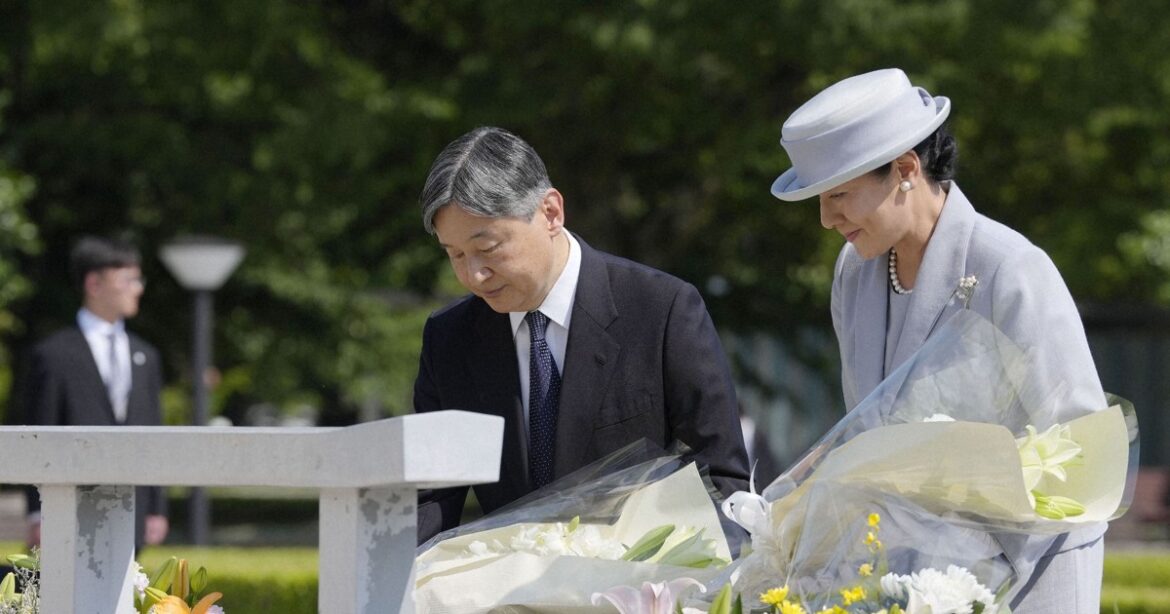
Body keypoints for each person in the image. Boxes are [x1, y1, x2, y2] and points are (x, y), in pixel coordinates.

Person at [770, 68, 1107, 613]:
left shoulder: (1010, 267)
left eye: (839, 195)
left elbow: (1082, 449)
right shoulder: (854, 272)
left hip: (1030, 573)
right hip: (909, 581)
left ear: (905, 170)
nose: (827, 219)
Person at [413, 126, 750, 543]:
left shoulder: (661, 310)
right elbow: (430, 502)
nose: (474, 274)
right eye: (456, 255)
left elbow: (721, 481)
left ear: (551, 212)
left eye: (488, 248)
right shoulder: (449, 339)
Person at [20, 235, 168, 549]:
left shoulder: (146, 355)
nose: (138, 289)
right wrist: (37, 513)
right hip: (70, 508)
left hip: (133, 507)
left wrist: (156, 507)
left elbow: (154, 431)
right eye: (128, 279)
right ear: (94, 284)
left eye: (138, 280)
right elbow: (38, 434)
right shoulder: (54, 354)